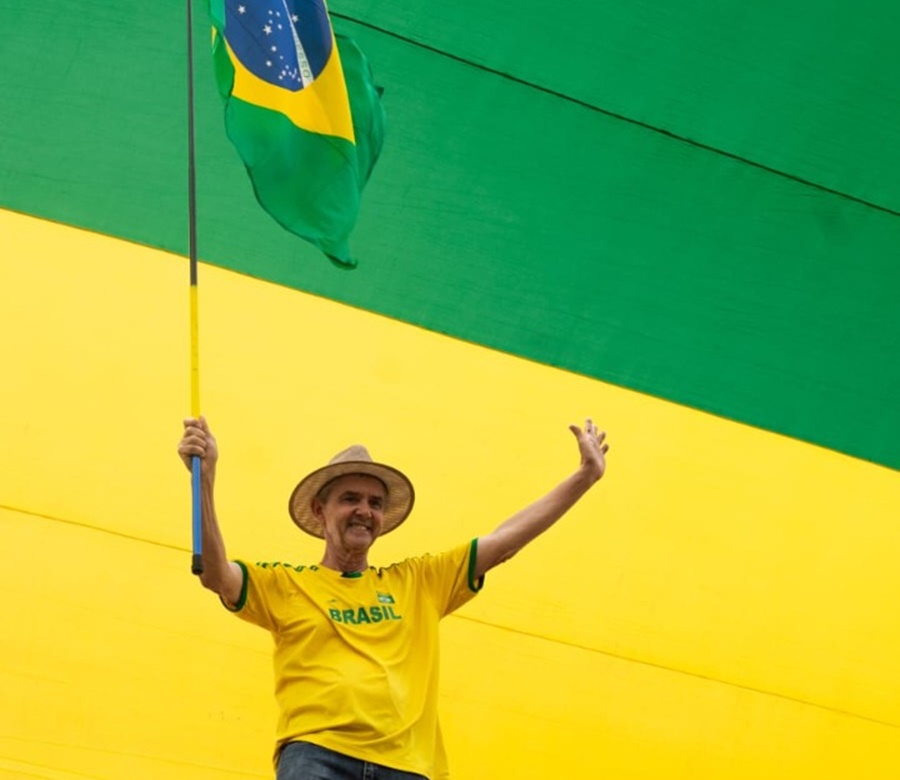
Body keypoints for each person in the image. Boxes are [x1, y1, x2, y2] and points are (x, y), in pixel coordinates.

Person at [178, 416, 609, 780]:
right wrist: (207, 480)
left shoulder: (420, 580)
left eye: (375, 502)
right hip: (317, 756)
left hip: (409, 766)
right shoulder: (284, 584)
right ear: (319, 510)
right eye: (350, 498)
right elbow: (217, 574)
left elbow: (505, 540)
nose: (365, 510)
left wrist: (584, 477)